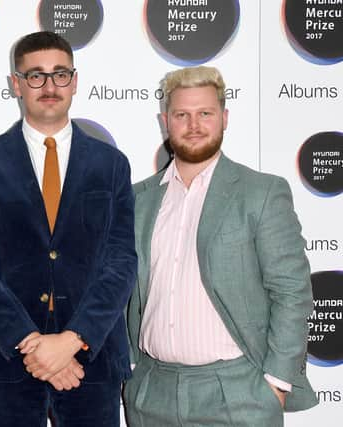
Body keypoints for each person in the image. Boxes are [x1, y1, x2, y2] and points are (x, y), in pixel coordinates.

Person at [0, 31, 137, 427]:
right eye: (35, 75)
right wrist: (31, 343)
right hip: (9, 359)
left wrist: (73, 340)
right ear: (15, 84)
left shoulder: (112, 165)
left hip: (92, 359)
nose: (49, 86)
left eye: (60, 74)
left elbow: (121, 264)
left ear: (75, 81)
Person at [125, 66, 318, 426]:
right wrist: (132, 367)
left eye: (205, 114)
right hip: (152, 392)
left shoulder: (260, 193)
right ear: (165, 120)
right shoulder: (138, 199)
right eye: (182, 114)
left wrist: (275, 383)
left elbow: (292, 291)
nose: (193, 124)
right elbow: (123, 290)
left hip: (238, 393)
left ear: (224, 118)